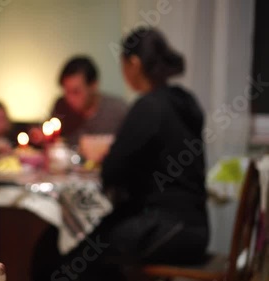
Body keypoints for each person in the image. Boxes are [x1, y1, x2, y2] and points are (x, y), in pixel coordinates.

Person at [32, 27, 209, 280]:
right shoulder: (183, 100)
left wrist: (107, 153)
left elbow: (113, 171)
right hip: (192, 226)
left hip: (169, 228)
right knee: (66, 241)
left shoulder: (148, 106)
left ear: (134, 64)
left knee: (69, 250)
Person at [50, 56, 128, 148]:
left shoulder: (117, 110)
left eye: (76, 92)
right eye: (66, 92)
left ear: (93, 85)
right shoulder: (61, 107)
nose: (70, 98)